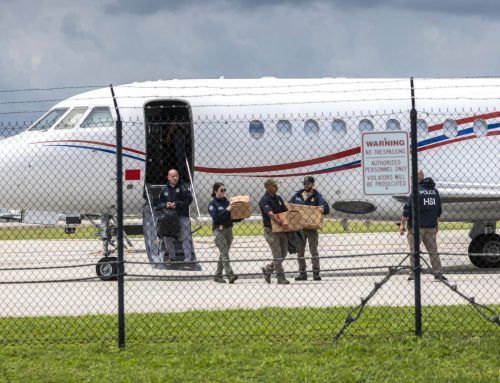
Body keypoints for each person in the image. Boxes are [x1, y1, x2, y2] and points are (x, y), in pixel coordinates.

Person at [399, 170, 447, 281]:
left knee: (414, 251)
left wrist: (402, 224)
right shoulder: (434, 192)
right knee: (433, 251)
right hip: (430, 227)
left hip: (416, 227)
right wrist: (435, 224)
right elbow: (438, 210)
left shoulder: (416, 191)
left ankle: (414, 274)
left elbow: (407, 210)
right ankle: (438, 273)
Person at [289, 176, 329, 281]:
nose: (306, 185)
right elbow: (288, 206)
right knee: (300, 252)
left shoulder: (318, 196)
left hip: (311, 228)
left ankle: (316, 273)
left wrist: (322, 209)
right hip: (300, 228)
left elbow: (326, 208)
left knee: (313, 251)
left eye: (308, 184)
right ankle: (302, 274)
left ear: (312, 184)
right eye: (304, 184)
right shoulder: (297, 195)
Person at [157, 169, 195, 269]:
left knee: (185, 237)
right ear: (168, 177)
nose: (175, 178)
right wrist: (166, 204)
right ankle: (172, 257)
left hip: (182, 216)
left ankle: (188, 260)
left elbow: (189, 200)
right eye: (172, 176)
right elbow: (158, 205)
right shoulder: (164, 190)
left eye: (176, 176)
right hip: (169, 219)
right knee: (167, 238)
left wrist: (177, 204)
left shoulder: (183, 188)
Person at [259, 178, 290, 284]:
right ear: (268, 187)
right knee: (277, 255)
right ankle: (280, 278)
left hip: (281, 229)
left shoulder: (278, 198)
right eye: (274, 185)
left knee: (284, 253)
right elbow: (270, 213)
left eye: (277, 185)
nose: (277, 187)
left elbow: (285, 211)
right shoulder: (264, 200)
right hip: (271, 230)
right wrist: (280, 222)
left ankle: (268, 269)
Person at [208, 182, 238, 284]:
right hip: (219, 230)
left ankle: (218, 275)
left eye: (224, 190)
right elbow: (216, 218)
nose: (223, 192)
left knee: (223, 253)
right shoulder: (212, 204)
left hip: (229, 229)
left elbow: (231, 217)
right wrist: (226, 210)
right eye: (221, 190)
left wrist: (241, 216)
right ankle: (230, 274)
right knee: (224, 253)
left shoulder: (227, 201)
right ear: (215, 191)